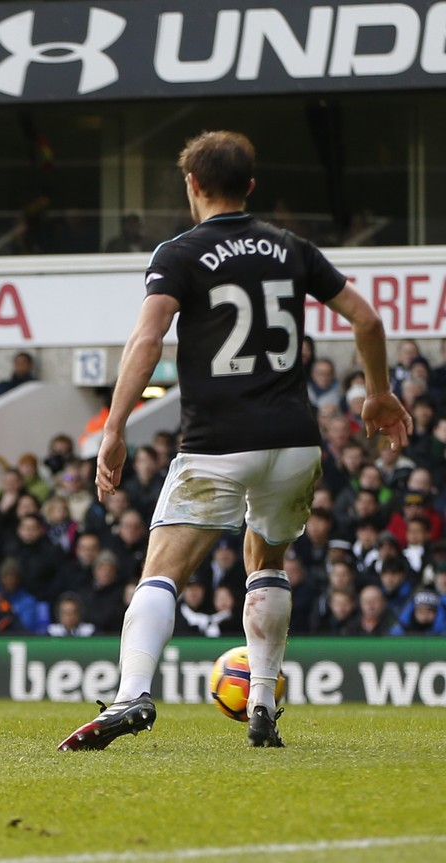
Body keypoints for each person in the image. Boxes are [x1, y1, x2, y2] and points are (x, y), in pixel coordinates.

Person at [59, 131, 411, 752]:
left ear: (192, 185)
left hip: (218, 442)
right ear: (251, 186)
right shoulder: (292, 248)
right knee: (267, 563)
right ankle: (262, 703)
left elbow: (147, 342)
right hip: (295, 443)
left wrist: (114, 428)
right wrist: (378, 393)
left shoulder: (180, 253)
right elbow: (369, 319)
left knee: (162, 571)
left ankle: (133, 693)